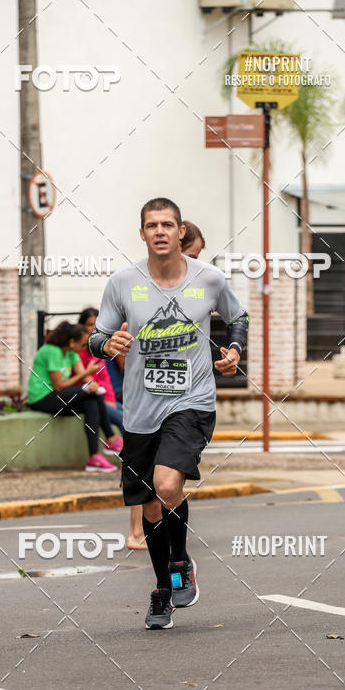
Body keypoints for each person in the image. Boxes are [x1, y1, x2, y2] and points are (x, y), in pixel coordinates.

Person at [88, 197, 248, 629]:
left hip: (191, 401)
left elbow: (238, 318)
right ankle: (164, 588)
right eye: (151, 225)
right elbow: (96, 336)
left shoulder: (209, 279)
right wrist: (107, 344)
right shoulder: (124, 282)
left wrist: (233, 350)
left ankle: (180, 561)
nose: (160, 231)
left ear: (182, 232)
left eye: (168, 224)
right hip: (140, 410)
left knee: (166, 483)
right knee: (150, 505)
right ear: (142, 234)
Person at [80, 306, 147, 551]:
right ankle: (136, 532)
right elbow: (120, 366)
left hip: (148, 402)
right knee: (141, 468)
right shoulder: (119, 336)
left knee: (164, 471)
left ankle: (158, 528)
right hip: (134, 403)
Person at [28, 321, 122, 472]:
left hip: (57, 398)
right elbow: (59, 385)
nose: (84, 348)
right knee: (89, 392)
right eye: (83, 344)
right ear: (72, 342)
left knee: (91, 400)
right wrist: (88, 377)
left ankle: (94, 457)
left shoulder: (71, 353)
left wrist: (95, 386)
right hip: (41, 399)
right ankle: (110, 438)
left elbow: (84, 378)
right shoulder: (51, 351)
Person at [78, 307, 123, 432]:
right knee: (122, 419)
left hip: (108, 394)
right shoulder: (79, 350)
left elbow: (105, 378)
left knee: (129, 416)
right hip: (92, 396)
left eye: (96, 324)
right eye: (89, 324)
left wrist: (110, 398)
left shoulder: (102, 347)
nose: (93, 328)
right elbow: (82, 376)